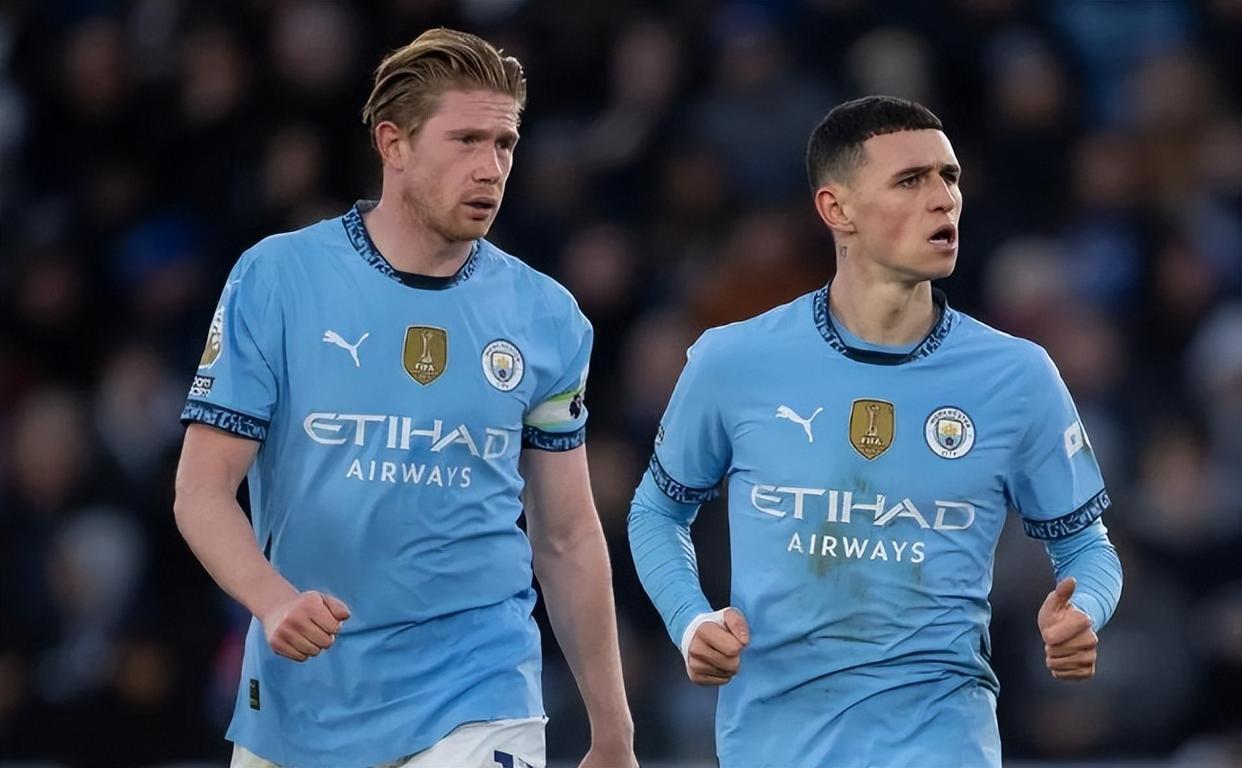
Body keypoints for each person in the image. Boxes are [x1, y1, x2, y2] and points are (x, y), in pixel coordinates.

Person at [174, 28, 635, 768]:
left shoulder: (547, 317)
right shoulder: (278, 279)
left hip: (480, 684)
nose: (491, 167)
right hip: (307, 693)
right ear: (393, 143)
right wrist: (272, 599)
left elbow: (567, 534)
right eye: (466, 140)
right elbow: (200, 491)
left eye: (505, 144)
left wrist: (613, 729)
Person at [628, 96, 1123, 767]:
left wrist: (1083, 610)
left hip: (942, 742)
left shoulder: (1017, 376)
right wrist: (691, 621)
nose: (943, 199)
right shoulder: (733, 361)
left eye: (949, 177)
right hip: (774, 745)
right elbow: (656, 513)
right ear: (838, 209)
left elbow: (1087, 546)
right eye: (910, 180)